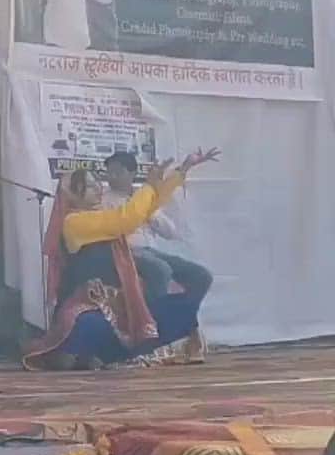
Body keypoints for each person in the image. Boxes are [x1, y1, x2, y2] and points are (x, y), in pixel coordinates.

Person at [23, 148, 220, 371]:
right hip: (90, 303)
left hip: (117, 300)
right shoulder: (74, 223)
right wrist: (148, 186)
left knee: (187, 302)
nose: (99, 187)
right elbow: (125, 220)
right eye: (90, 186)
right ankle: (128, 347)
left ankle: (141, 342)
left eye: (97, 182)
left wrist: (178, 173)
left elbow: (146, 209)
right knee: (93, 326)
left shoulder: (97, 214)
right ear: (74, 195)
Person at [102, 152, 214, 307]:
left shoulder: (143, 195)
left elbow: (170, 232)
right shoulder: (103, 199)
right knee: (161, 270)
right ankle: (152, 323)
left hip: (153, 252)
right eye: (109, 173)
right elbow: (115, 229)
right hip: (126, 253)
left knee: (201, 275)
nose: (111, 177)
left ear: (132, 173)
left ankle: (182, 318)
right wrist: (139, 214)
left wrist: (150, 214)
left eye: (117, 172)